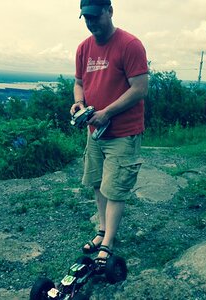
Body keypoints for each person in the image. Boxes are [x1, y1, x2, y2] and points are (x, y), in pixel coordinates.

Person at [70, 0, 148, 268]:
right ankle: (102, 230)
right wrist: (79, 103)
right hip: (95, 131)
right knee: (97, 183)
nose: (91, 23)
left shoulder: (129, 45)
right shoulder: (84, 48)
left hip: (122, 132)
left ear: (109, 11)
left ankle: (108, 243)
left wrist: (107, 113)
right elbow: (79, 82)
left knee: (114, 189)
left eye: (95, 17)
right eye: (86, 18)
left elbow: (139, 88)